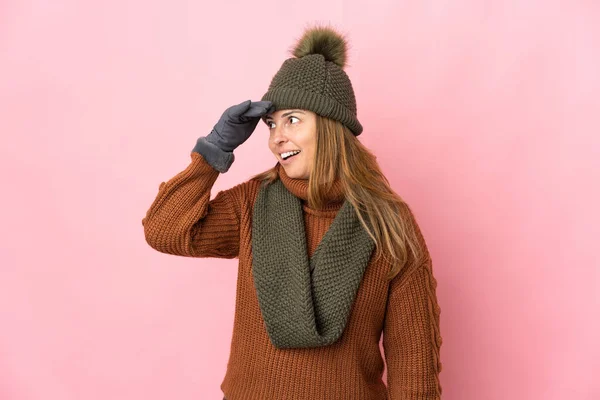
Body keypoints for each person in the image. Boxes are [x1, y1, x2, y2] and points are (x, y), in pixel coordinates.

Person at [142, 23, 442, 400]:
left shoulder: (386, 223)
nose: (275, 137)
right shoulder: (252, 204)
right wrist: (214, 151)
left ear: (332, 127)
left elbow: (414, 367)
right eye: (271, 123)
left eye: (293, 120)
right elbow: (164, 231)